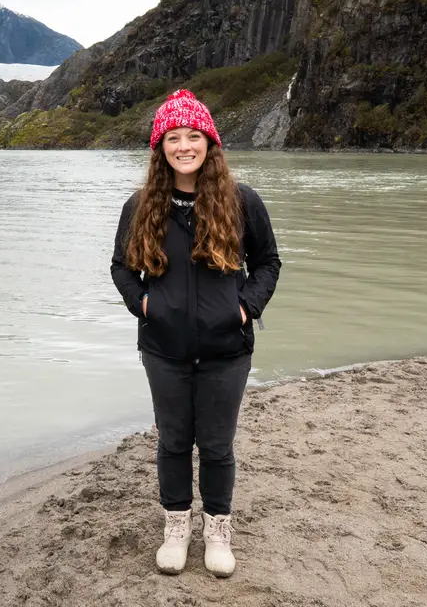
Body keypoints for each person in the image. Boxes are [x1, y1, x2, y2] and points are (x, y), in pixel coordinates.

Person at [110, 89, 281, 577]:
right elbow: (122, 268)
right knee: (173, 441)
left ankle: (218, 529)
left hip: (228, 349)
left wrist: (244, 308)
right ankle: (177, 526)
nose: (183, 146)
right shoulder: (141, 205)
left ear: (210, 142)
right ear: (159, 147)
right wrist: (146, 305)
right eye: (172, 137)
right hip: (164, 348)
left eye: (192, 136)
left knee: (218, 444)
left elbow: (268, 263)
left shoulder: (242, 201)